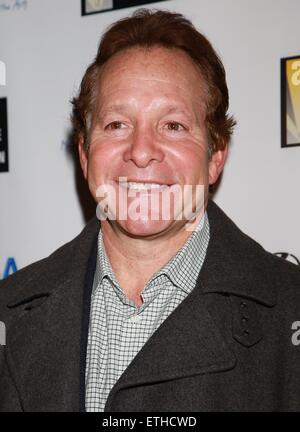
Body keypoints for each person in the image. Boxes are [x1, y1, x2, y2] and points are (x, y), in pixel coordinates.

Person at [0, 9, 300, 412]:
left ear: (215, 156)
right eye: (117, 124)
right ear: (85, 154)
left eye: (173, 125)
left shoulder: (290, 309)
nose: (141, 152)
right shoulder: (9, 310)